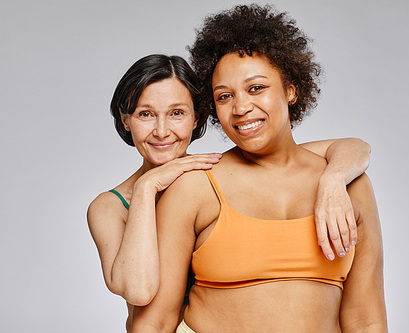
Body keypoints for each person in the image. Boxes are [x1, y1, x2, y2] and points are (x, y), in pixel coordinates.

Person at [131, 4, 386, 333]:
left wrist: (333, 181)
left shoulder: (350, 186)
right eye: (224, 96)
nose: (240, 108)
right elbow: (155, 322)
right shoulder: (195, 187)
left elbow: (367, 321)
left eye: (256, 88)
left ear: (291, 90)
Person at [88, 53, 370, 331]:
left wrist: (333, 179)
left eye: (177, 113)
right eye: (145, 114)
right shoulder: (113, 206)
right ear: (126, 120)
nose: (162, 131)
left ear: (197, 118)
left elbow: (340, 149)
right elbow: (139, 293)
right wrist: (146, 187)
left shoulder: (210, 171)